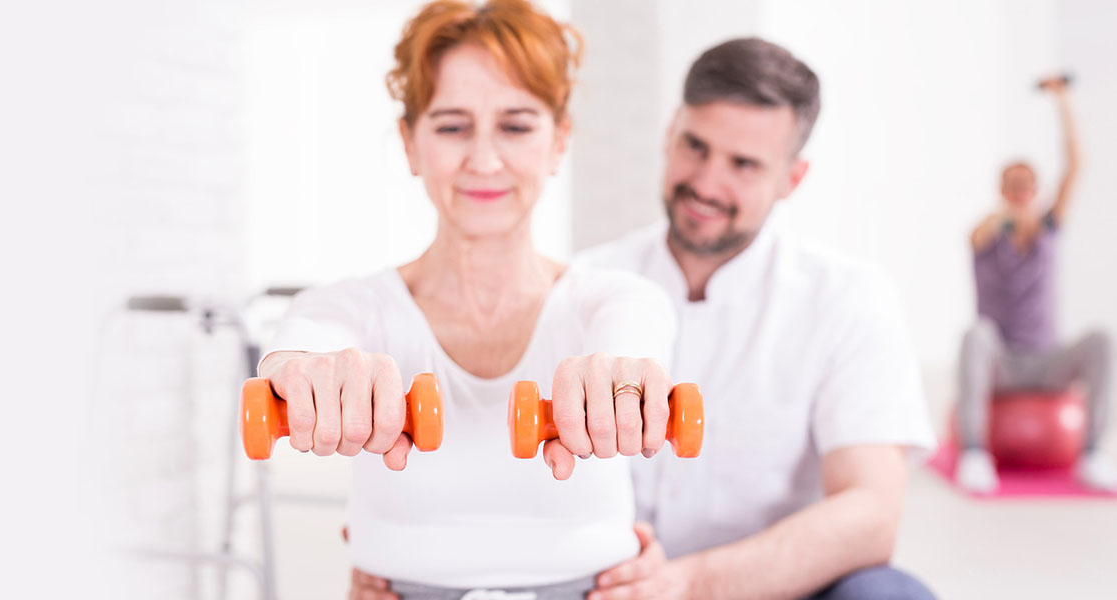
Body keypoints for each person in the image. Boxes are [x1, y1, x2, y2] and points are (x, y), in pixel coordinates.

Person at [262, 2, 680, 598]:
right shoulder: (352, 306)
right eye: (453, 127)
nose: (484, 161)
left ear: (559, 141)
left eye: (515, 126)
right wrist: (303, 369)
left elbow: (634, 333)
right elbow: (306, 335)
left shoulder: (613, 298)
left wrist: (622, 372)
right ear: (410, 143)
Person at [577, 38, 937, 599]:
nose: (706, 183)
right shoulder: (584, 284)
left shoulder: (847, 300)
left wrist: (689, 584)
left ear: (792, 179)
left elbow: (872, 512)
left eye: (743, 165)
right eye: (695, 146)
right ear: (670, 131)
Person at [955, 76, 1115, 494]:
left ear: (1037, 190)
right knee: (975, 335)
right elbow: (976, 234)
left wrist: (1063, 101)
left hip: (1047, 361)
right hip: (1002, 363)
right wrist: (1006, 216)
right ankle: (974, 451)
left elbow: (1076, 166)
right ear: (1003, 190)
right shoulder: (985, 235)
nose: (1023, 192)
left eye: (1029, 186)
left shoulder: (1049, 229)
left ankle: (1094, 451)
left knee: (1102, 339)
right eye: (1014, 185)